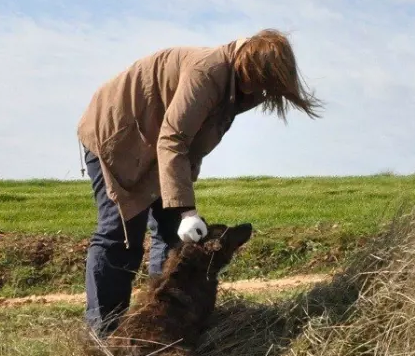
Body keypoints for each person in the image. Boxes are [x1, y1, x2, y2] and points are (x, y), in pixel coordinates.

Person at [76, 29, 321, 334]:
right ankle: (104, 337)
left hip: (158, 145)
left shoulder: (242, 91)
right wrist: (187, 210)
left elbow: (192, 143)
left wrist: (181, 202)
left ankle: (159, 328)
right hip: (120, 136)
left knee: (174, 238)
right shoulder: (209, 72)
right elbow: (174, 139)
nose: (264, 94)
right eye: (264, 84)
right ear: (250, 67)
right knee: (121, 236)